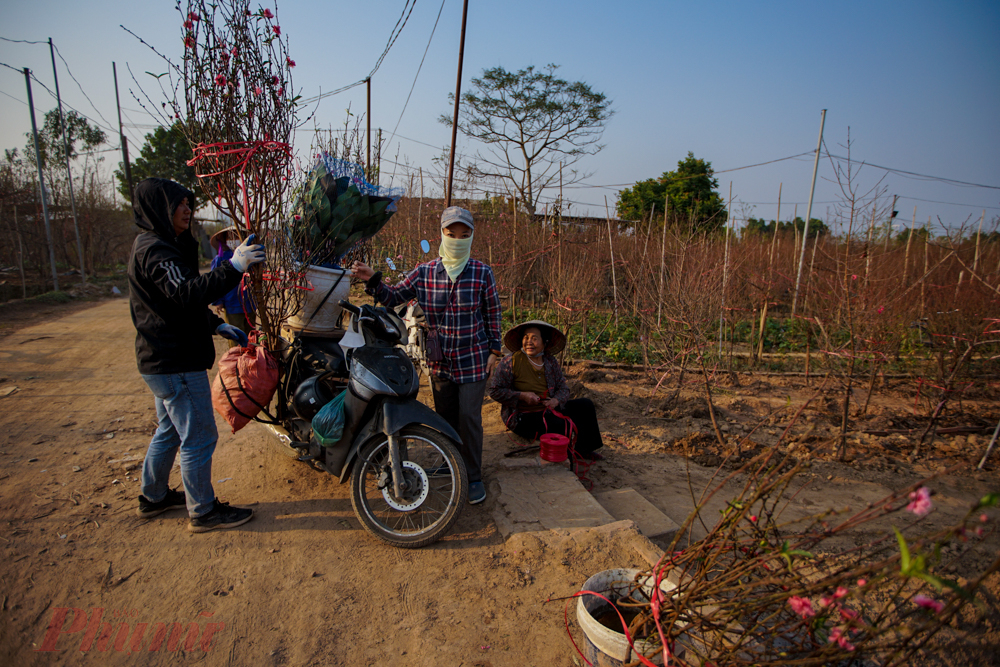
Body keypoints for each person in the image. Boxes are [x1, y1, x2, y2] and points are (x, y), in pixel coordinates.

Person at [128, 178, 265, 532]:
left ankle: (153, 497)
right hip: (174, 361)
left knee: (170, 430)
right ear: (159, 208)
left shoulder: (161, 245)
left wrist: (214, 325)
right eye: (180, 204)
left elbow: (174, 305)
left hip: (162, 360)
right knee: (199, 435)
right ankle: (203, 511)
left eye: (189, 203)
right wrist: (233, 267)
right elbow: (187, 292)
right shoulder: (155, 250)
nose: (188, 210)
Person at [351, 206, 503, 505]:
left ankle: (472, 475)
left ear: (471, 237)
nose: (457, 239)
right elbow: (394, 297)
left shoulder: (482, 272)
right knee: (445, 419)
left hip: (473, 357)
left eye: (464, 234)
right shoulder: (425, 272)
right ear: (442, 235)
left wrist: (495, 350)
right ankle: (452, 465)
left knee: (470, 419)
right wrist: (373, 281)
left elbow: (492, 313)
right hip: (439, 359)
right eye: (451, 233)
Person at [488, 320, 605, 460]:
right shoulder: (510, 362)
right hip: (523, 417)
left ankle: (584, 450)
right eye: (526, 337)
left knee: (585, 405)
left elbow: (563, 388)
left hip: (550, 409)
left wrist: (556, 400)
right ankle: (564, 457)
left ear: (545, 342)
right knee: (560, 423)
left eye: (534, 338)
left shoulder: (550, 361)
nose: (529, 342)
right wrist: (522, 396)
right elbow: (495, 391)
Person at [209, 226, 256, 346]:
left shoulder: (249, 257)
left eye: (237, 236)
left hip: (250, 302)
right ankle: (236, 362)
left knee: (251, 335)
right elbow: (215, 280)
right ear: (224, 239)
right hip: (232, 303)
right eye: (231, 236)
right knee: (236, 337)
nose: (234, 239)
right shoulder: (220, 259)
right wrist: (219, 300)